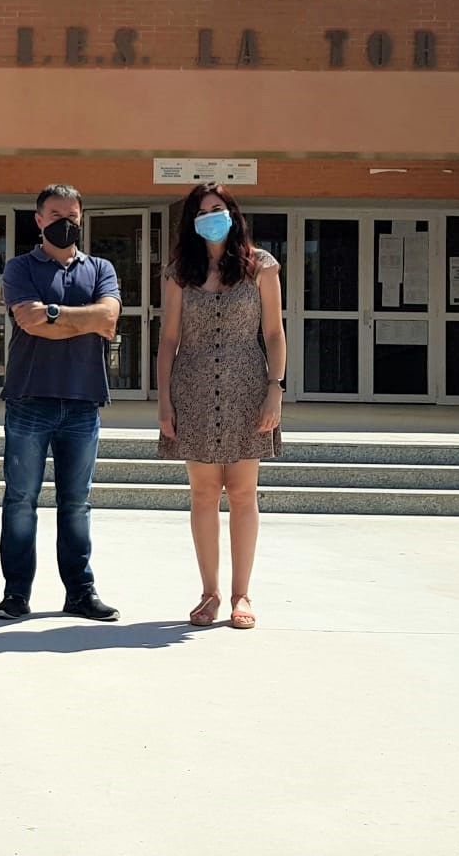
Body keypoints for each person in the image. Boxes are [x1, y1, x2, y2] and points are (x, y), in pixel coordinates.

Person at [156, 183, 285, 630]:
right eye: (202, 211)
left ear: (233, 213)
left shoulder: (261, 266)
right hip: (192, 389)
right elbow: (168, 340)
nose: (212, 216)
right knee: (204, 493)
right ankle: (209, 593)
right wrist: (164, 401)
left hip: (248, 388)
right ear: (191, 221)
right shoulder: (180, 273)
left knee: (244, 492)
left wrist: (275, 388)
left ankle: (241, 594)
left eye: (218, 208)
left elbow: (274, 333)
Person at [0, 185, 122, 623]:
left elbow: (109, 319)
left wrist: (52, 314)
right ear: (39, 220)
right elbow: (28, 321)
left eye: (72, 217)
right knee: (20, 501)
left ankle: (80, 594)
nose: (64, 223)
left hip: (84, 401)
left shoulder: (101, 268)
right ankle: (15, 595)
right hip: (29, 399)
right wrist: (82, 319)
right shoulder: (20, 267)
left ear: (81, 220)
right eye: (55, 216)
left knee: (76, 504)